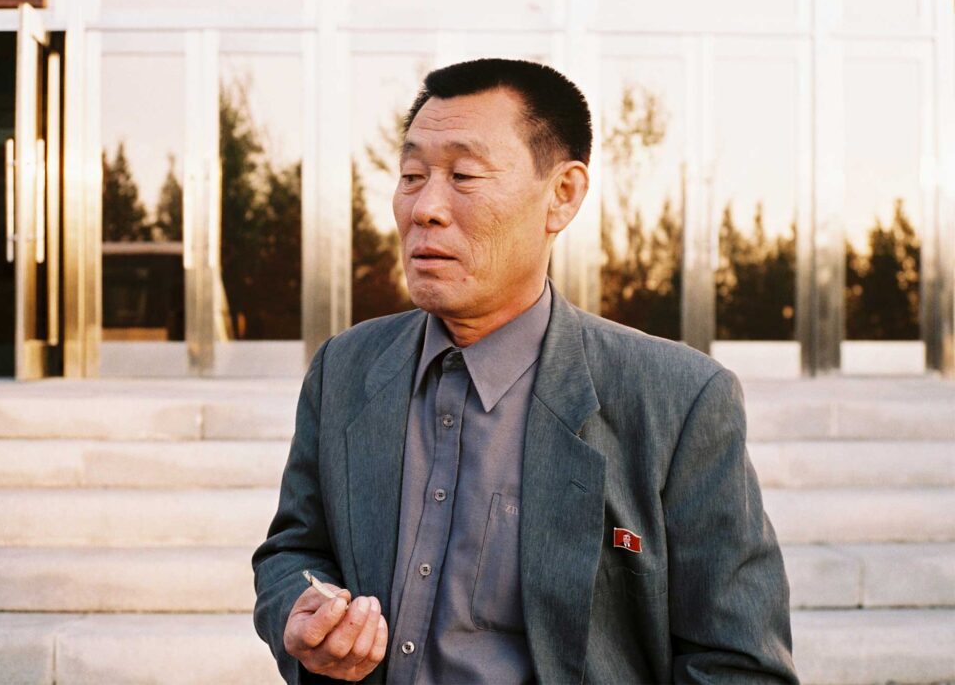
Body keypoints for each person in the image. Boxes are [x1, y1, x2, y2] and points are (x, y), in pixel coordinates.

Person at [252, 58, 798, 684]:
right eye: (410, 175)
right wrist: (299, 611)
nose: (425, 206)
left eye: (463, 175)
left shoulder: (677, 400)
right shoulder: (346, 368)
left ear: (561, 195)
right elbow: (293, 547)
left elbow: (738, 665)